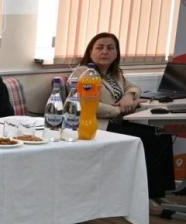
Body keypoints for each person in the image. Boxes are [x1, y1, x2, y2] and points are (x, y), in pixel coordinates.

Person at [73, 32, 174, 200]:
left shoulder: (115, 74)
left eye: (110, 48)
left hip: (117, 123)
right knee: (150, 139)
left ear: (116, 53)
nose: (105, 52)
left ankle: (159, 193)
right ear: (90, 51)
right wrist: (119, 110)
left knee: (162, 136)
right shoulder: (82, 73)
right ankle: (149, 196)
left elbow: (134, 88)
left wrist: (128, 96)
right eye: (100, 47)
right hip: (96, 126)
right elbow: (86, 104)